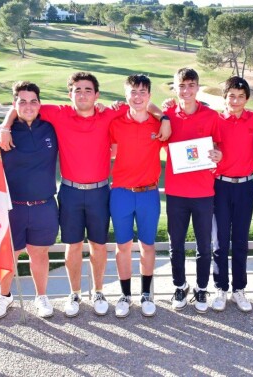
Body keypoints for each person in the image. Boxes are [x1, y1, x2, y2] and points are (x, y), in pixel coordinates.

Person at [0, 72, 169, 318]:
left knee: (98, 246)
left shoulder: (108, 114)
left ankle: (98, 292)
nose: (83, 94)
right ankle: (75, 293)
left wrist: (163, 117)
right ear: (70, 94)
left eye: (88, 90)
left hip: (100, 191)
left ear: (97, 94)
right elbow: (23, 105)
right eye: (77, 90)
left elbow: (140, 103)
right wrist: (5, 126)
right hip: (69, 192)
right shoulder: (59, 113)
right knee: (73, 245)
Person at [0, 81, 59, 320]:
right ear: (14, 103)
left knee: (39, 254)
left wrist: (8, 121)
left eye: (33, 101)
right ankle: (4, 296)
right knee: (10, 255)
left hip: (45, 206)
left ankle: (41, 297)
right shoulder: (0, 133)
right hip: (12, 208)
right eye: (22, 101)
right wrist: (6, 126)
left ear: (40, 104)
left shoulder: (51, 128)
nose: (28, 106)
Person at [164, 67, 222, 314]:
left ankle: (201, 287)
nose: (186, 90)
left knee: (204, 246)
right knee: (175, 244)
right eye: (181, 86)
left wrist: (218, 154)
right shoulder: (166, 114)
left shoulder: (211, 116)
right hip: (176, 192)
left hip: (203, 193)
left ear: (197, 88)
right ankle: (180, 285)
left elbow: (218, 146)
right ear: (175, 88)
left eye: (190, 85)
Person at [109, 74, 164, 318]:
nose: (138, 96)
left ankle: (145, 295)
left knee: (147, 246)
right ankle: (124, 295)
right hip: (120, 193)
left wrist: (165, 117)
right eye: (133, 92)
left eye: (143, 92)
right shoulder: (115, 122)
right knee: (122, 247)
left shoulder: (158, 124)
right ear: (126, 95)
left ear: (149, 96)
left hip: (149, 194)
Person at [210, 77, 253, 313]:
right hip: (220, 186)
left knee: (240, 240)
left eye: (241, 96)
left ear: (247, 99)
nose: (236, 100)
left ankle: (239, 290)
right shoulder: (215, 120)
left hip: (245, 187)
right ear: (225, 97)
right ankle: (220, 289)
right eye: (231, 95)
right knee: (220, 240)